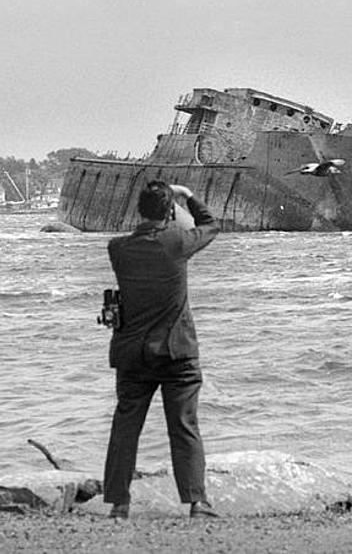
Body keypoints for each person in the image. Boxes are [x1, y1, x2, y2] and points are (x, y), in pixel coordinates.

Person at [102, 181, 220, 519]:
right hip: (177, 352)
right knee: (184, 425)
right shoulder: (177, 243)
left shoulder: (117, 249)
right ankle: (196, 501)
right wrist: (189, 196)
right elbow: (210, 225)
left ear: (139, 211)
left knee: (125, 426)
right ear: (170, 211)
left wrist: (169, 206)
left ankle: (119, 502)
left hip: (133, 354)